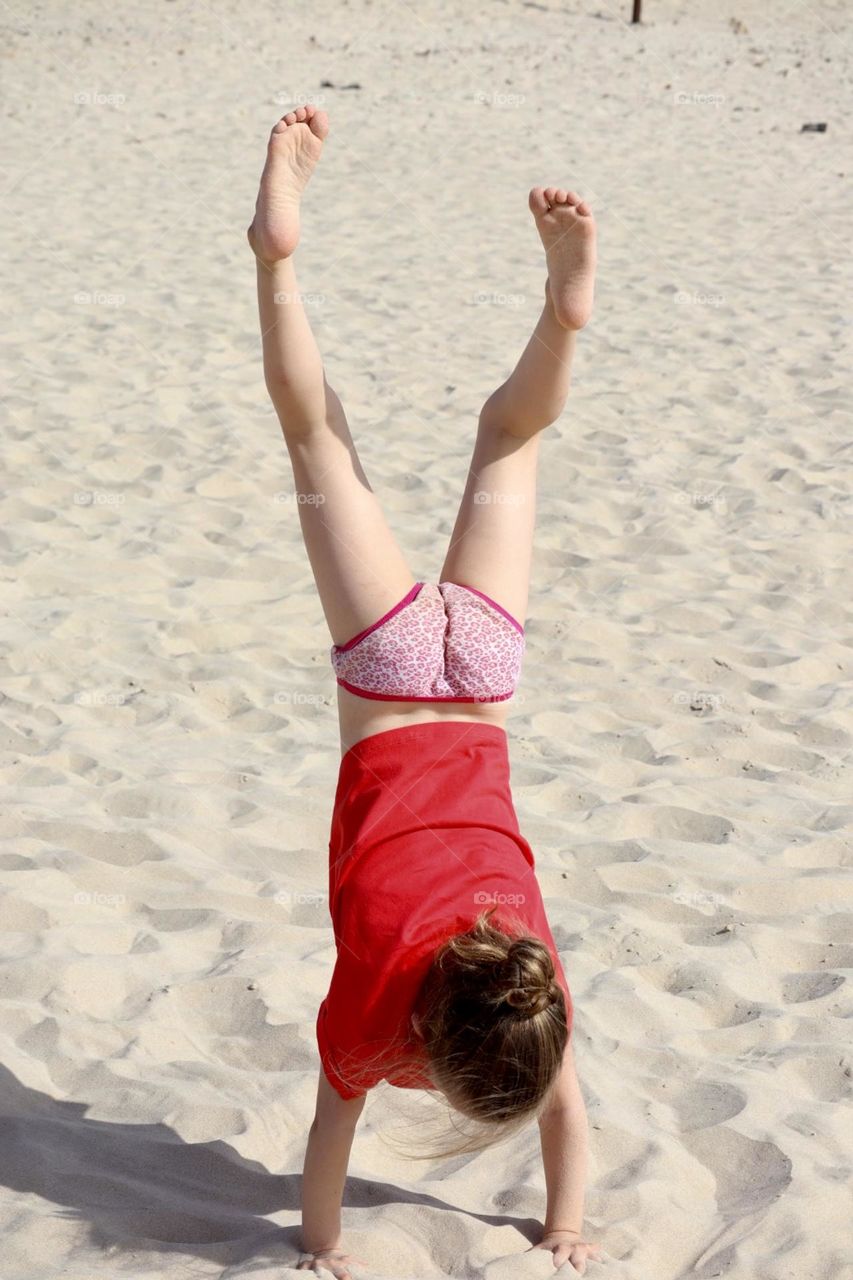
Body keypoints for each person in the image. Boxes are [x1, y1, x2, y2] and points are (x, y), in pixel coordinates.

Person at [248, 105, 602, 1278]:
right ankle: (276, 258)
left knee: (507, 438)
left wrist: (567, 1221)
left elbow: (563, 1108)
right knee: (318, 436)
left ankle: (560, 322)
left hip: (482, 666)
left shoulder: (532, 976)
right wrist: (323, 1252)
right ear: (429, 1047)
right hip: (394, 676)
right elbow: (326, 1142)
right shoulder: (369, 1016)